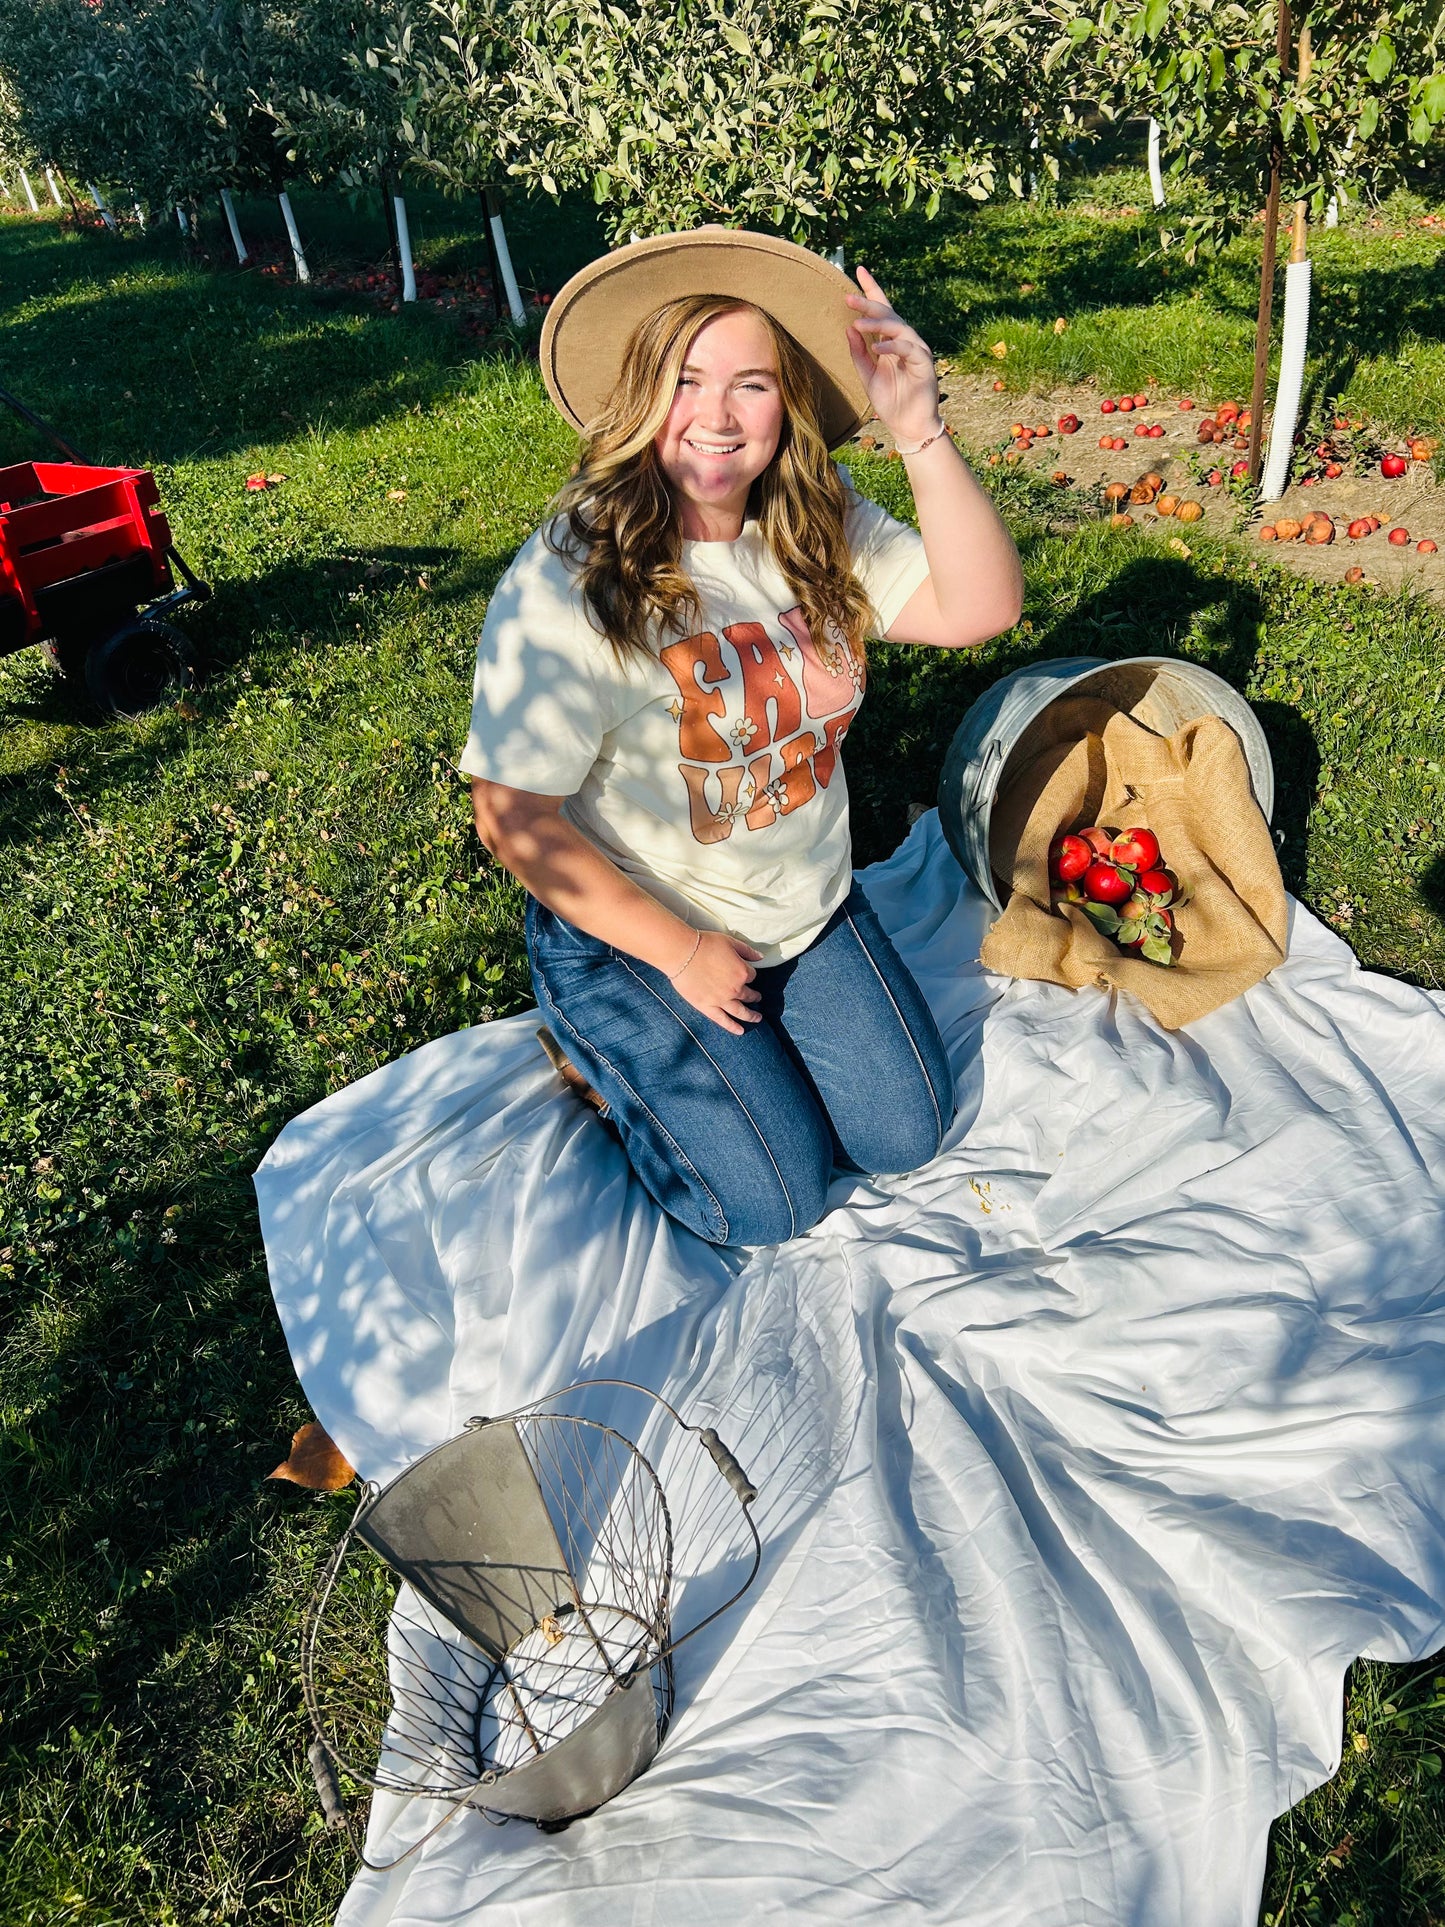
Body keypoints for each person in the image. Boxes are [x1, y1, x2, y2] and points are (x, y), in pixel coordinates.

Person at [460, 225, 1024, 1248]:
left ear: (786, 405)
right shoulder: (575, 576)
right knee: (769, 1202)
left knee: (907, 1134)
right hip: (639, 927)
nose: (717, 416)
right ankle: (596, 1044)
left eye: (752, 384)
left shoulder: (813, 521)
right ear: (640, 395)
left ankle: (740, 1063)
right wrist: (677, 952)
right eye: (687, 379)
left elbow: (975, 606)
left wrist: (919, 432)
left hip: (801, 902)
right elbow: (509, 814)